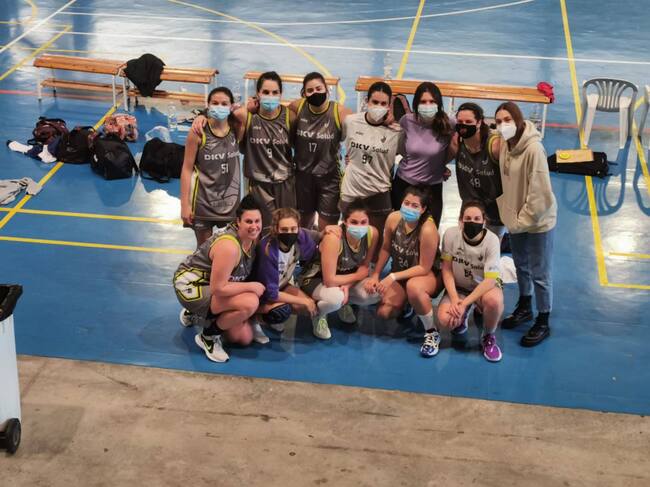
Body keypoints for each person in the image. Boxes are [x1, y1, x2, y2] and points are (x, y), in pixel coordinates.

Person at [193, 71, 295, 227]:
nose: (270, 96)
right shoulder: (246, 116)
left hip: (285, 183)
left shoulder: (289, 117)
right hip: (258, 184)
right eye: (266, 92)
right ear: (258, 94)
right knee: (263, 229)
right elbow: (222, 109)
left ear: (281, 94)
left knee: (286, 226)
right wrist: (202, 115)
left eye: (275, 92)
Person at [494, 101, 556, 347]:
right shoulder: (506, 145)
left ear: (518, 120)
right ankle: (525, 305)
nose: (503, 125)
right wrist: (511, 217)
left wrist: (520, 222)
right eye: (498, 121)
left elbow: (540, 196)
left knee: (540, 272)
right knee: (521, 265)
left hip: (538, 222)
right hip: (516, 219)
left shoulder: (534, 150)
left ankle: (543, 319)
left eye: (507, 120)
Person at [173, 195, 264, 363]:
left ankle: (197, 314)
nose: (254, 226)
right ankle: (208, 337)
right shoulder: (229, 246)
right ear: (238, 221)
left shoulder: (251, 239)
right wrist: (251, 286)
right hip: (190, 286)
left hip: (207, 282)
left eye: (257, 221)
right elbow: (218, 288)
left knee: (243, 337)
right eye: (249, 221)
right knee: (250, 302)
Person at [365, 186, 442, 357]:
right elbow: (385, 248)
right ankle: (408, 303)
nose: (409, 208)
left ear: (423, 209)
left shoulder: (428, 229)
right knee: (384, 312)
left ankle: (432, 332)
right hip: (401, 272)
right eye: (406, 203)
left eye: (415, 205)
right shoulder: (393, 218)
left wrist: (392, 276)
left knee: (414, 287)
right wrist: (376, 274)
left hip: (427, 275)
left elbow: (424, 267)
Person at [340, 81, 403, 257]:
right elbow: (337, 141)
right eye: (375, 102)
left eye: (383, 103)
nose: (378, 106)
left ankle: (371, 269)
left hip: (379, 192)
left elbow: (411, 154)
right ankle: (346, 266)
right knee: (349, 237)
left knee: (376, 240)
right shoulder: (351, 122)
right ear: (367, 101)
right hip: (352, 191)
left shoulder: (396, 131)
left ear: (389, 106)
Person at [300, 199, 381, 335]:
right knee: (336, 298)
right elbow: (329, 280)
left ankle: (344, 303)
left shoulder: (372, 234)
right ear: (344, 221)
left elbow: (364, 267)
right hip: (316, 279)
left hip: (345, 279)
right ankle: (319, 314)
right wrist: (357, 276)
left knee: (376, 292)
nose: (359, 226)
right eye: (354, 222)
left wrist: (348, 286)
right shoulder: (334, 238)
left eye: (363, 222)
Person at [437, 200, 504, 362]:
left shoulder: (492, 240)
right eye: (467, 218)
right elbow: (446, 269)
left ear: (484, 221)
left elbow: (490, 281)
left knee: (494, 302)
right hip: (460, 288)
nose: (471, 222)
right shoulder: (451, 235)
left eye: (476, 219)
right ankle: (463, 316)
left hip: (483, 288)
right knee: (446, 319)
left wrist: (463, 303)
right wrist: (455, 299)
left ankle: (488, 336)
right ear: (460, 220)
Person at [180, 87, 243, 247]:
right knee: (203, 251)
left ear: (231, 106)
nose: (219, 107)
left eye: (224, 104)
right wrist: (184, 205)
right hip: (203, 203)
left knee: (229, 248)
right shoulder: (198, 132)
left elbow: (247, 110)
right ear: (208, 105)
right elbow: (186, 169)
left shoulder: (236, 128)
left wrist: (202, 114)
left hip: (230, 204)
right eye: (215, 103)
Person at [290, 72, 352, 230]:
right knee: (303, 228)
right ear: (304, 93)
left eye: (319, 88)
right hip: (303, 179)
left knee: (327, 231)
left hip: (329, 180)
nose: (315, 93)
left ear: (327, 89)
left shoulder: (340, 113)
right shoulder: (297, 107)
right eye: (310, 90)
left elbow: (361, 131)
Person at [253, 207, 325, 340]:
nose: (290, 233)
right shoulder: (267, 249)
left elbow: (314, 250)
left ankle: (317, 317)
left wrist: (328, 233)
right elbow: (271, 293)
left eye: (293, 229)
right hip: (261, 292)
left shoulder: (301, 237)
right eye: (284, 229)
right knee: (281, 311)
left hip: (283, 284)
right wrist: (303, 300)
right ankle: (255, 318)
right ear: (275, 229)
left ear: (298, 228)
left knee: (307, 306)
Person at [391, 82, 454, 227]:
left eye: (432, 101)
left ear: (438, 104)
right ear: (416, 104)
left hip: (432, 188)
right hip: (404, 185)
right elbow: (399, 147)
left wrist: (441, 164)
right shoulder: (406, 121)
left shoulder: (448, 124)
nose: (427, 105)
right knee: (400, 230)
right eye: (423, 101)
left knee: (430, 231)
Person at [449, 102, 505, 239]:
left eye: (469, 122)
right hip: (469, 208)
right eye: (460, 122)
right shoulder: (457, 142)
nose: (463, 126)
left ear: (479, 122)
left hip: (494, 211)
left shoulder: (494, 145)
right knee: (467, 245)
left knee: (491, 246)